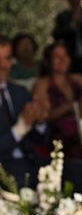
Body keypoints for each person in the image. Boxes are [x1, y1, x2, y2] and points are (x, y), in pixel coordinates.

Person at [0, 35, 49, 188]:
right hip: (4, 169)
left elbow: (40, 139)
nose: (3, 65)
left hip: (31, 163)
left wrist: (40, 120)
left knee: (75, 170)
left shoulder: (19, 92)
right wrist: (20, 129)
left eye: (7, 58)